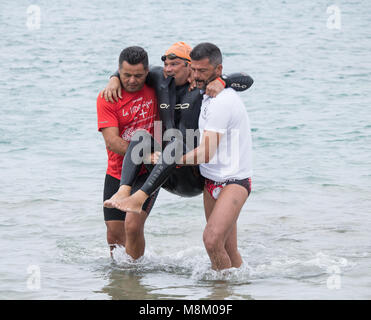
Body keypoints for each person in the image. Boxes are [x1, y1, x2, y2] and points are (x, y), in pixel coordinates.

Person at [102, 41, 254, 260]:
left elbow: (246, 80)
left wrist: (224, 81)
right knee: (142, 137)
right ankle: (125, 191)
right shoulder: (160, 79)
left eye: (175, 64)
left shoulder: (203, 87)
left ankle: (139, 195)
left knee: (175, 144)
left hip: (191, 174)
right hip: (167, 172)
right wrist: (113, 79)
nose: (169, 69)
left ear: (189, 66)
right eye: (166, 63)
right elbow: (133, 70)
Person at [96, 46, 159, 256]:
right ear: (118, 72)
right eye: (126, 75)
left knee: (132, 225)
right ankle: (123, 282)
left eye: (138, 75)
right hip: (117, 170)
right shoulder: (108, 97)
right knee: (114, 235)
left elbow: (184, 72)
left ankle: (135, 275)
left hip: (149, 171)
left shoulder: (156, 86)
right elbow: (112, 142)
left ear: (147, 72)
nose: (132, 80)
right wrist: (113, 79)